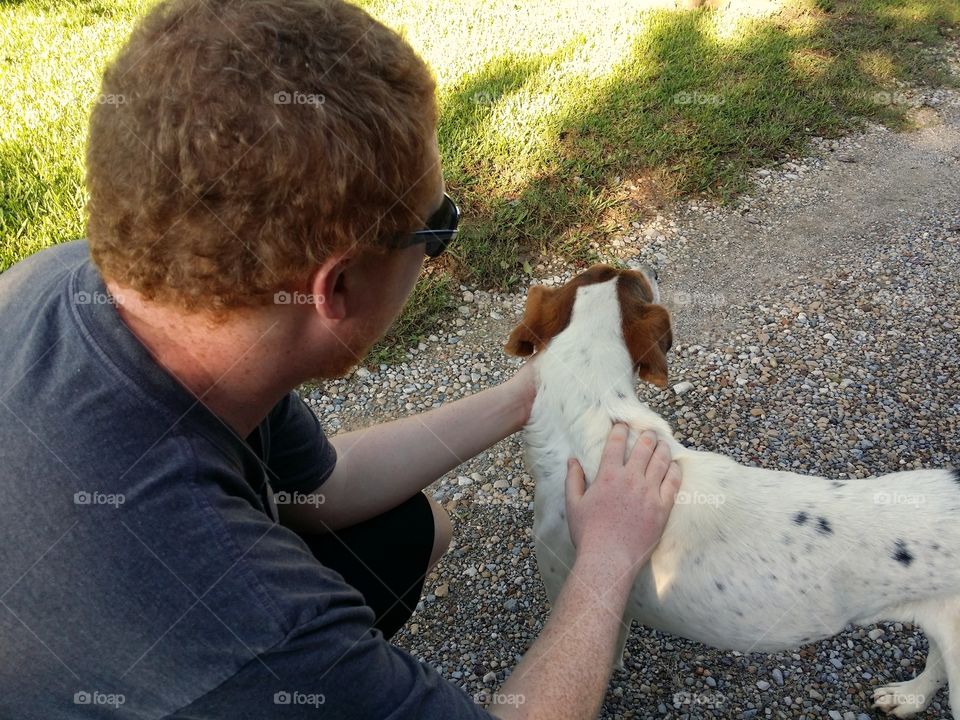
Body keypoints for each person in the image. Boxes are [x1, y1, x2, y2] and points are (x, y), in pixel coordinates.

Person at [0, 0, 682, 717]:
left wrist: (531, 392)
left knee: (406, 531)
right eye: (436, 226)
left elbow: (321, 488)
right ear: (338, 285)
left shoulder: (84, 284)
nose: (438, 244)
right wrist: (607, 557)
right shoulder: (249, 623)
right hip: (160, 635)